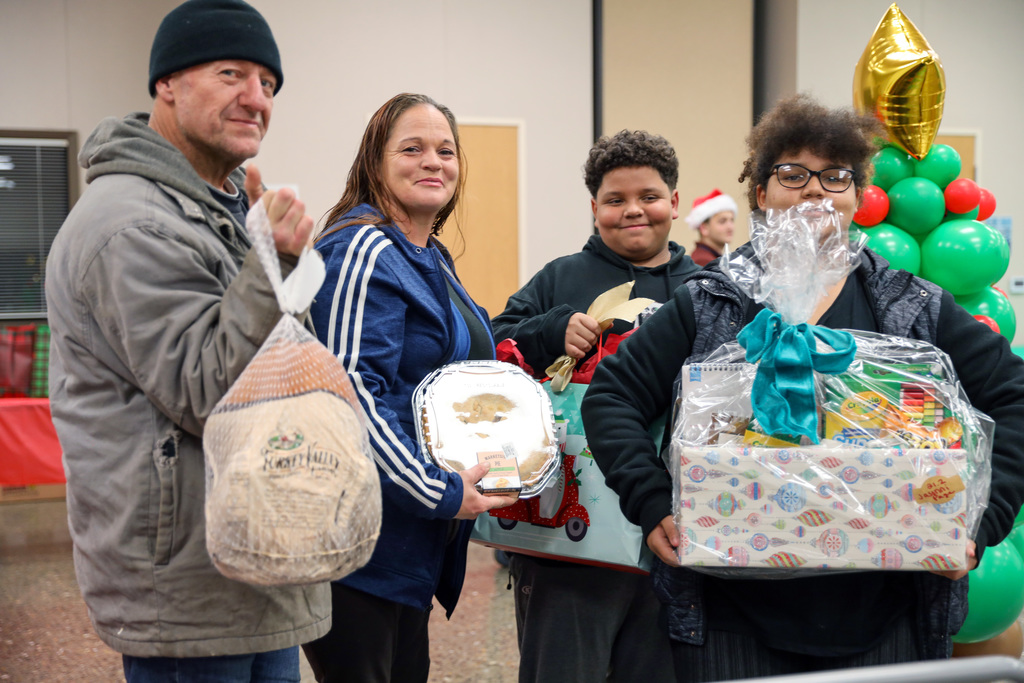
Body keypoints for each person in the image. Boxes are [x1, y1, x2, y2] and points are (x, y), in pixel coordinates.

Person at [580, 94, 1024, 682]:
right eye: (793, 174)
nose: (815, 190)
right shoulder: (711, 302)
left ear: (858, 197)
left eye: (835, 176)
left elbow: (1015, 397)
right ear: (761, 193)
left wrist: (981, 522)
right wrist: (650, 500)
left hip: (887, 614)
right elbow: (612, 396)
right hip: (729, 617)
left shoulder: (911, 308)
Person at [45, 1, 327, 680]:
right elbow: (207, 390)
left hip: (248, 560)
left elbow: (294, 365)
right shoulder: (132, 224)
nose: (255, 98)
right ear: (166, 83)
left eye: (268, 83)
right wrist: (273, 263)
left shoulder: (217, 210)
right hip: (187, 587)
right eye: (231, 72)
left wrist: (273, 254)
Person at [304, 93, 517, 683]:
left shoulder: (428, 254)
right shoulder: (361, 249)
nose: (434, 162)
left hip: (407, 544)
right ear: (376, 163)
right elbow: (350, 395)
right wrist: (438, 492)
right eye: (413, 148)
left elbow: (459, 363)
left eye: (446, 151)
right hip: (359, 547)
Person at [491, 129, 699, 682]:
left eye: (649, 197)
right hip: (566, 544)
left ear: (674, 203)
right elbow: (495, 340)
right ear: (594, 208)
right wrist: (551, 329)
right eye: (615, 200)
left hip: (673, 532)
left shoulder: (704, 289)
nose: (633, 211)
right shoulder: (562, 276)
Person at [684, 188, 736, 266]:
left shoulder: (712, 257)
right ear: (704, 228)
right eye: (722, 221)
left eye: (732, 220)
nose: (730, 227)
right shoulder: (704, 261)